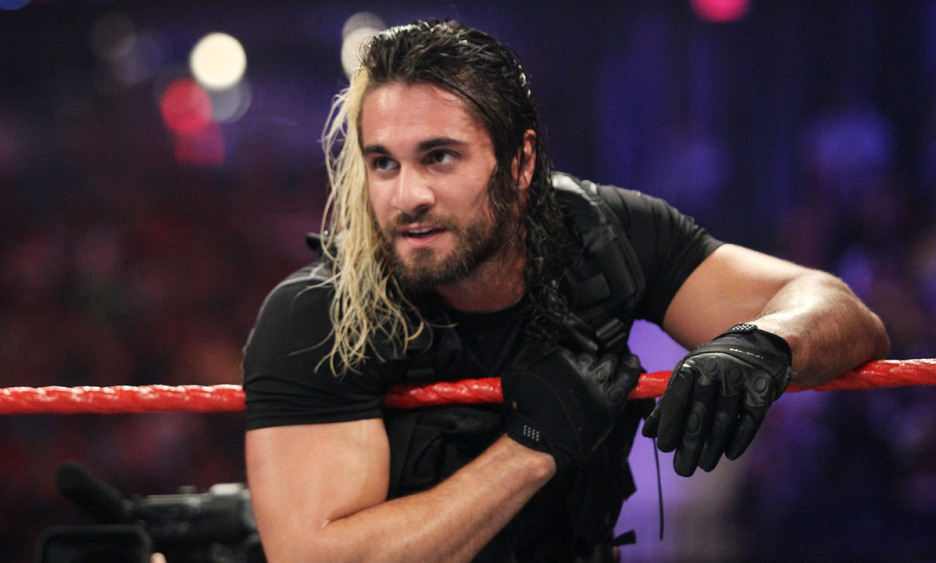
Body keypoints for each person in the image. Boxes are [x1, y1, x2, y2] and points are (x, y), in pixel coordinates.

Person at [242, 20, 889, 562]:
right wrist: (530, 449)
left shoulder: (604, 237)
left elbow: (841, 311)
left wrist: (765, 345)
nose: (407, 195)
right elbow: (312, 557)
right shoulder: (320, 313)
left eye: (439, 157)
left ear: (520, 162)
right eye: (383, 162)